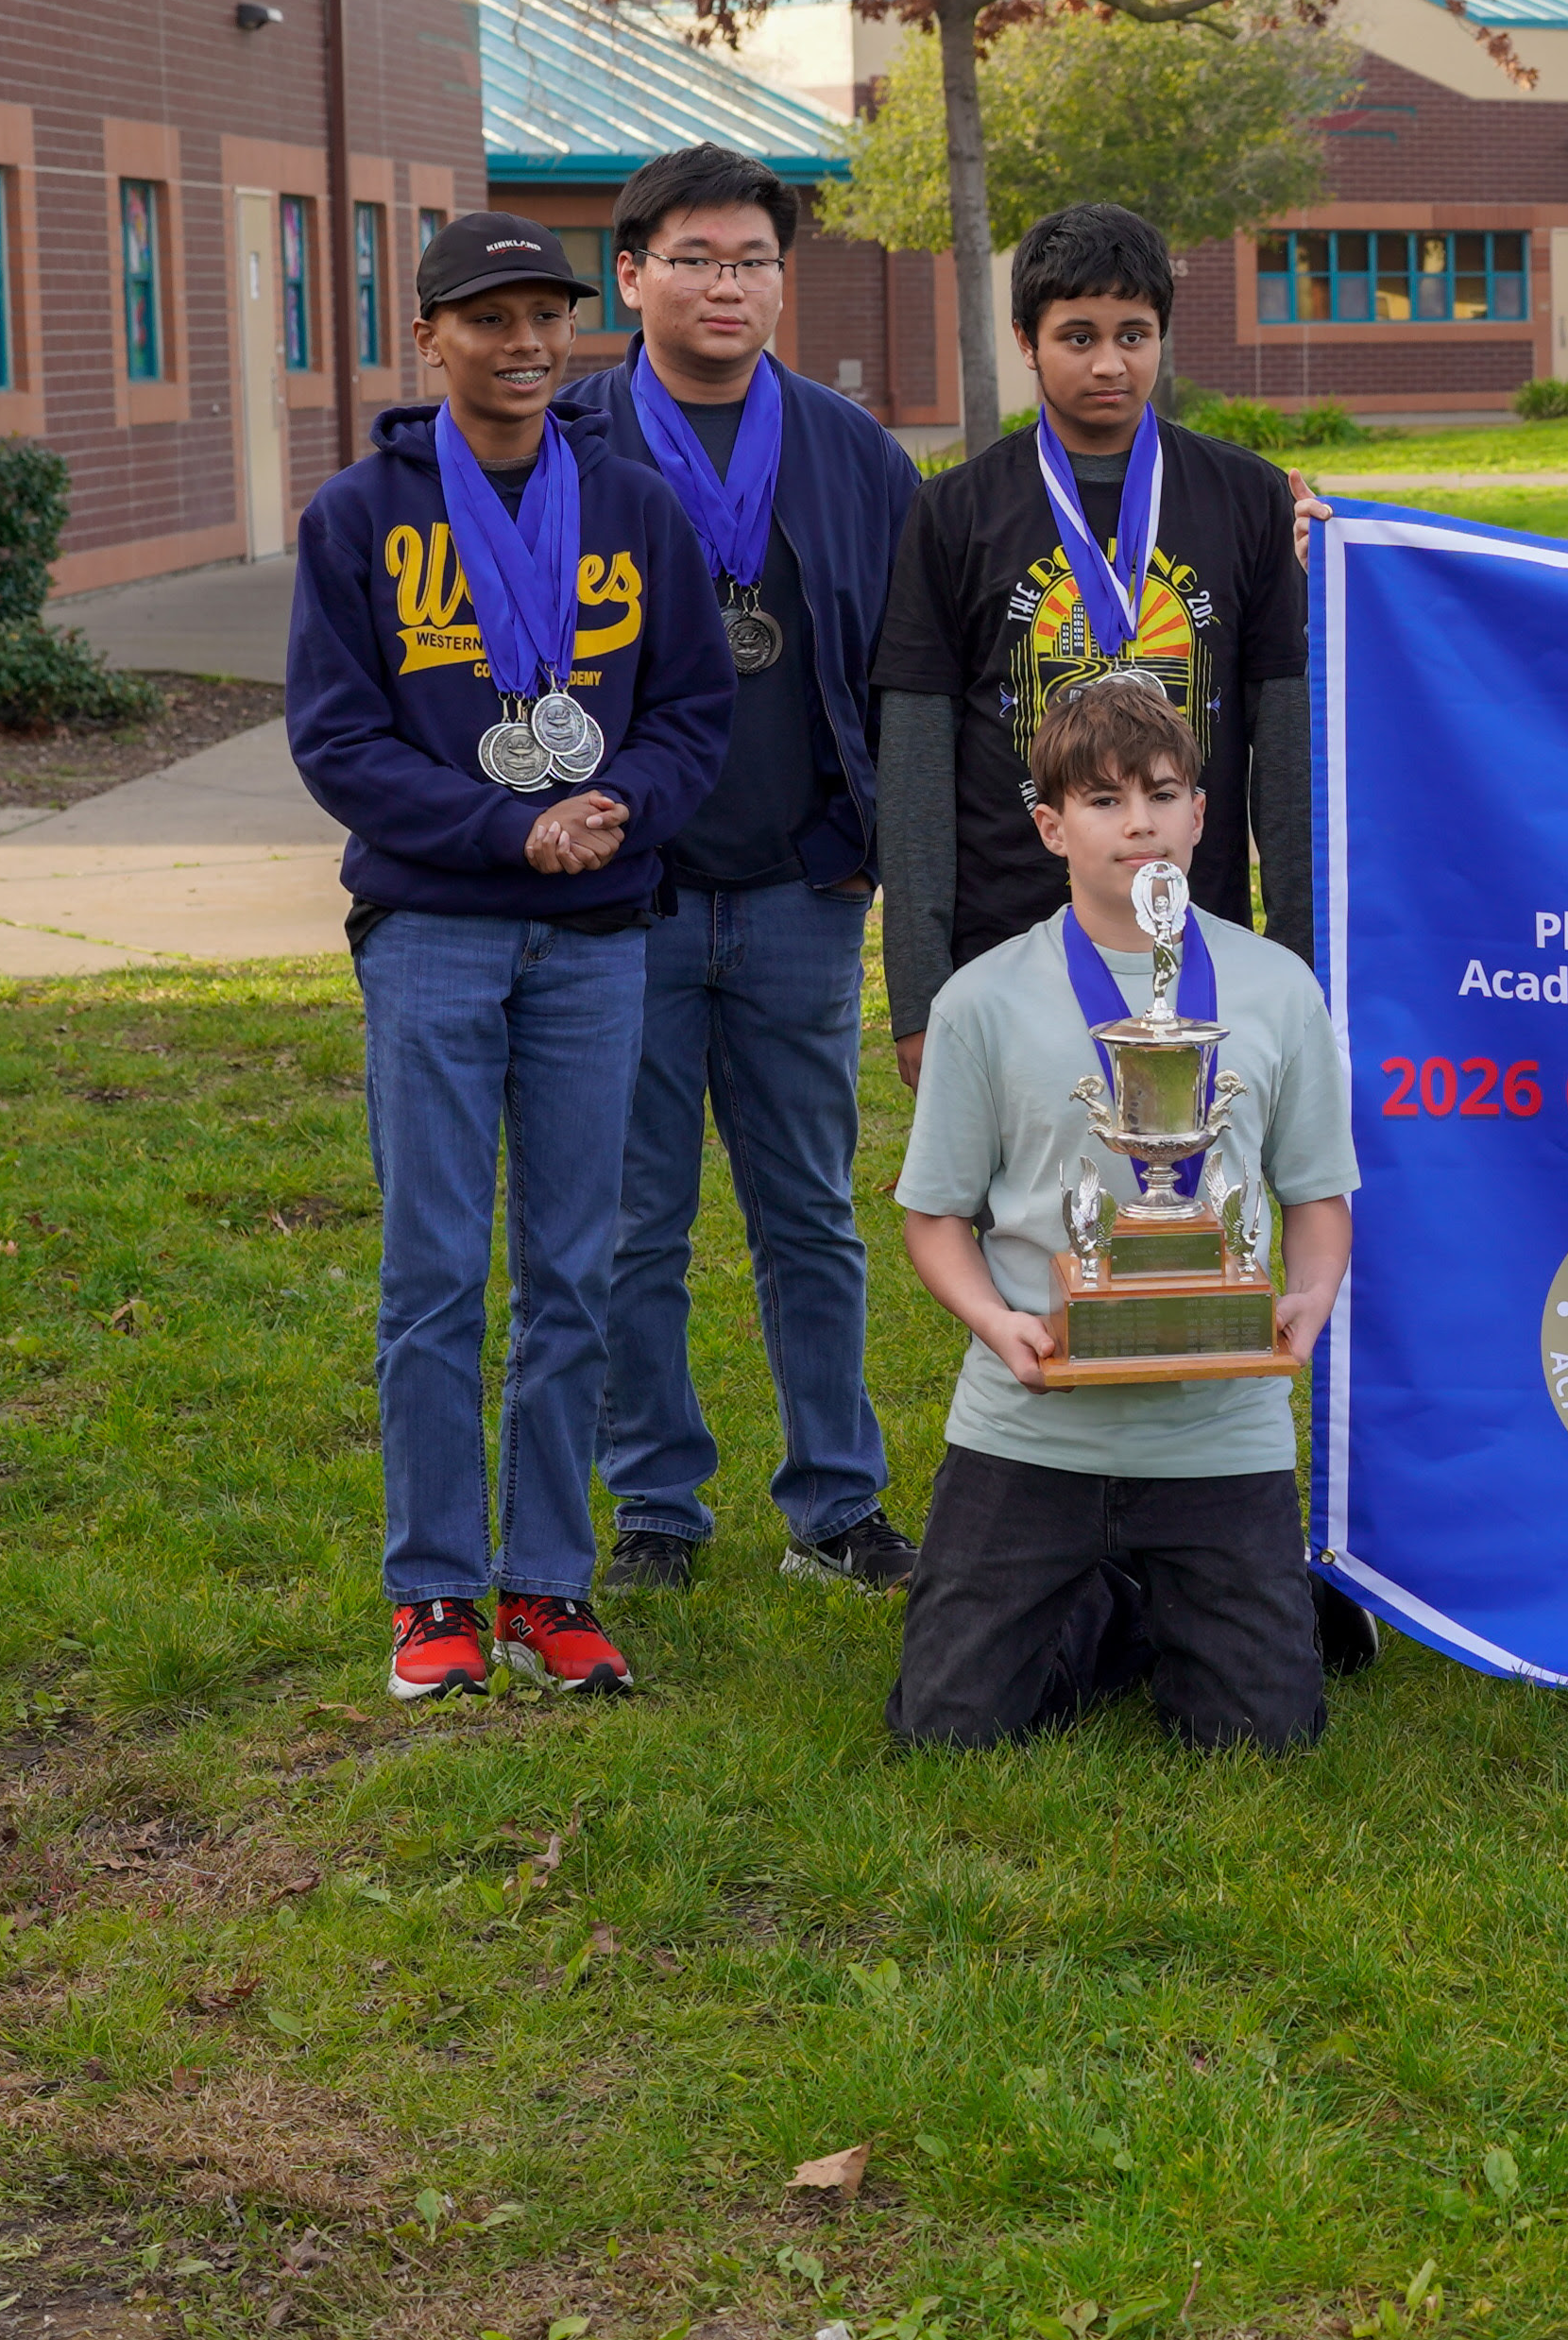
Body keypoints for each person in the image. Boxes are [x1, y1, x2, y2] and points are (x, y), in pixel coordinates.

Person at [284, 212, 736, 1702]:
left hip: (599, 935)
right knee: (429, 1272)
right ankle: (432, 1595)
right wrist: (501, 829)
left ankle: (547, 1582)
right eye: (491, 318)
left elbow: (690, 712)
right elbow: (336, 738)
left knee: (572, 1268)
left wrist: (621, 810)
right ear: (428, 337)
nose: (528, 343)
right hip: (435, 932)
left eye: (548, 316)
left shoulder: (632, 507)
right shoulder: (359, 518)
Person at [563, 144, 925, 1599]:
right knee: (630, 1220)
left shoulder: (851, 452)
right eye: (697, 258)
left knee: (807, 1214)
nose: (730, 285)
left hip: (798, 894)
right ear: (632, 271)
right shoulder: (569, 442)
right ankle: (656, 1503)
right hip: (624, 903)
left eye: (756, 261)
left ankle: (837, 1503)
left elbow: (916, 671)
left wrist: (879, 849)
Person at [884, 670, 1356, 1751]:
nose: (1136, 822)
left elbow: (1318, 1194)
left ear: (1202, 811)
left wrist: (1309, 1296)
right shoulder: (982, 999)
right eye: (1101, 800)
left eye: (1160, 792)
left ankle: (1207, 1598)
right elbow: (936, 1215)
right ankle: (1111, 1597)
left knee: (1260, 1735)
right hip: (1034, 1416)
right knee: (948, 1728)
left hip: (1216, 1425)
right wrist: (994, 1323)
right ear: (1050, 826)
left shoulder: (1277, 986)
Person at [873, 204, 1312, 1098]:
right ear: (1026, 342)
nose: (1111, 362)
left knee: (1192, 1206)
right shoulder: (955, 511)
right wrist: (919, 994)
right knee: (1029, 1212)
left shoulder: (1248, 498)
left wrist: (1299, 961)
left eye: (1134, 334)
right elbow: (916, 758)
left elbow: (1289, 746)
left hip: (1198, 932)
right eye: (1078, 335)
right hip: (1005, 937)